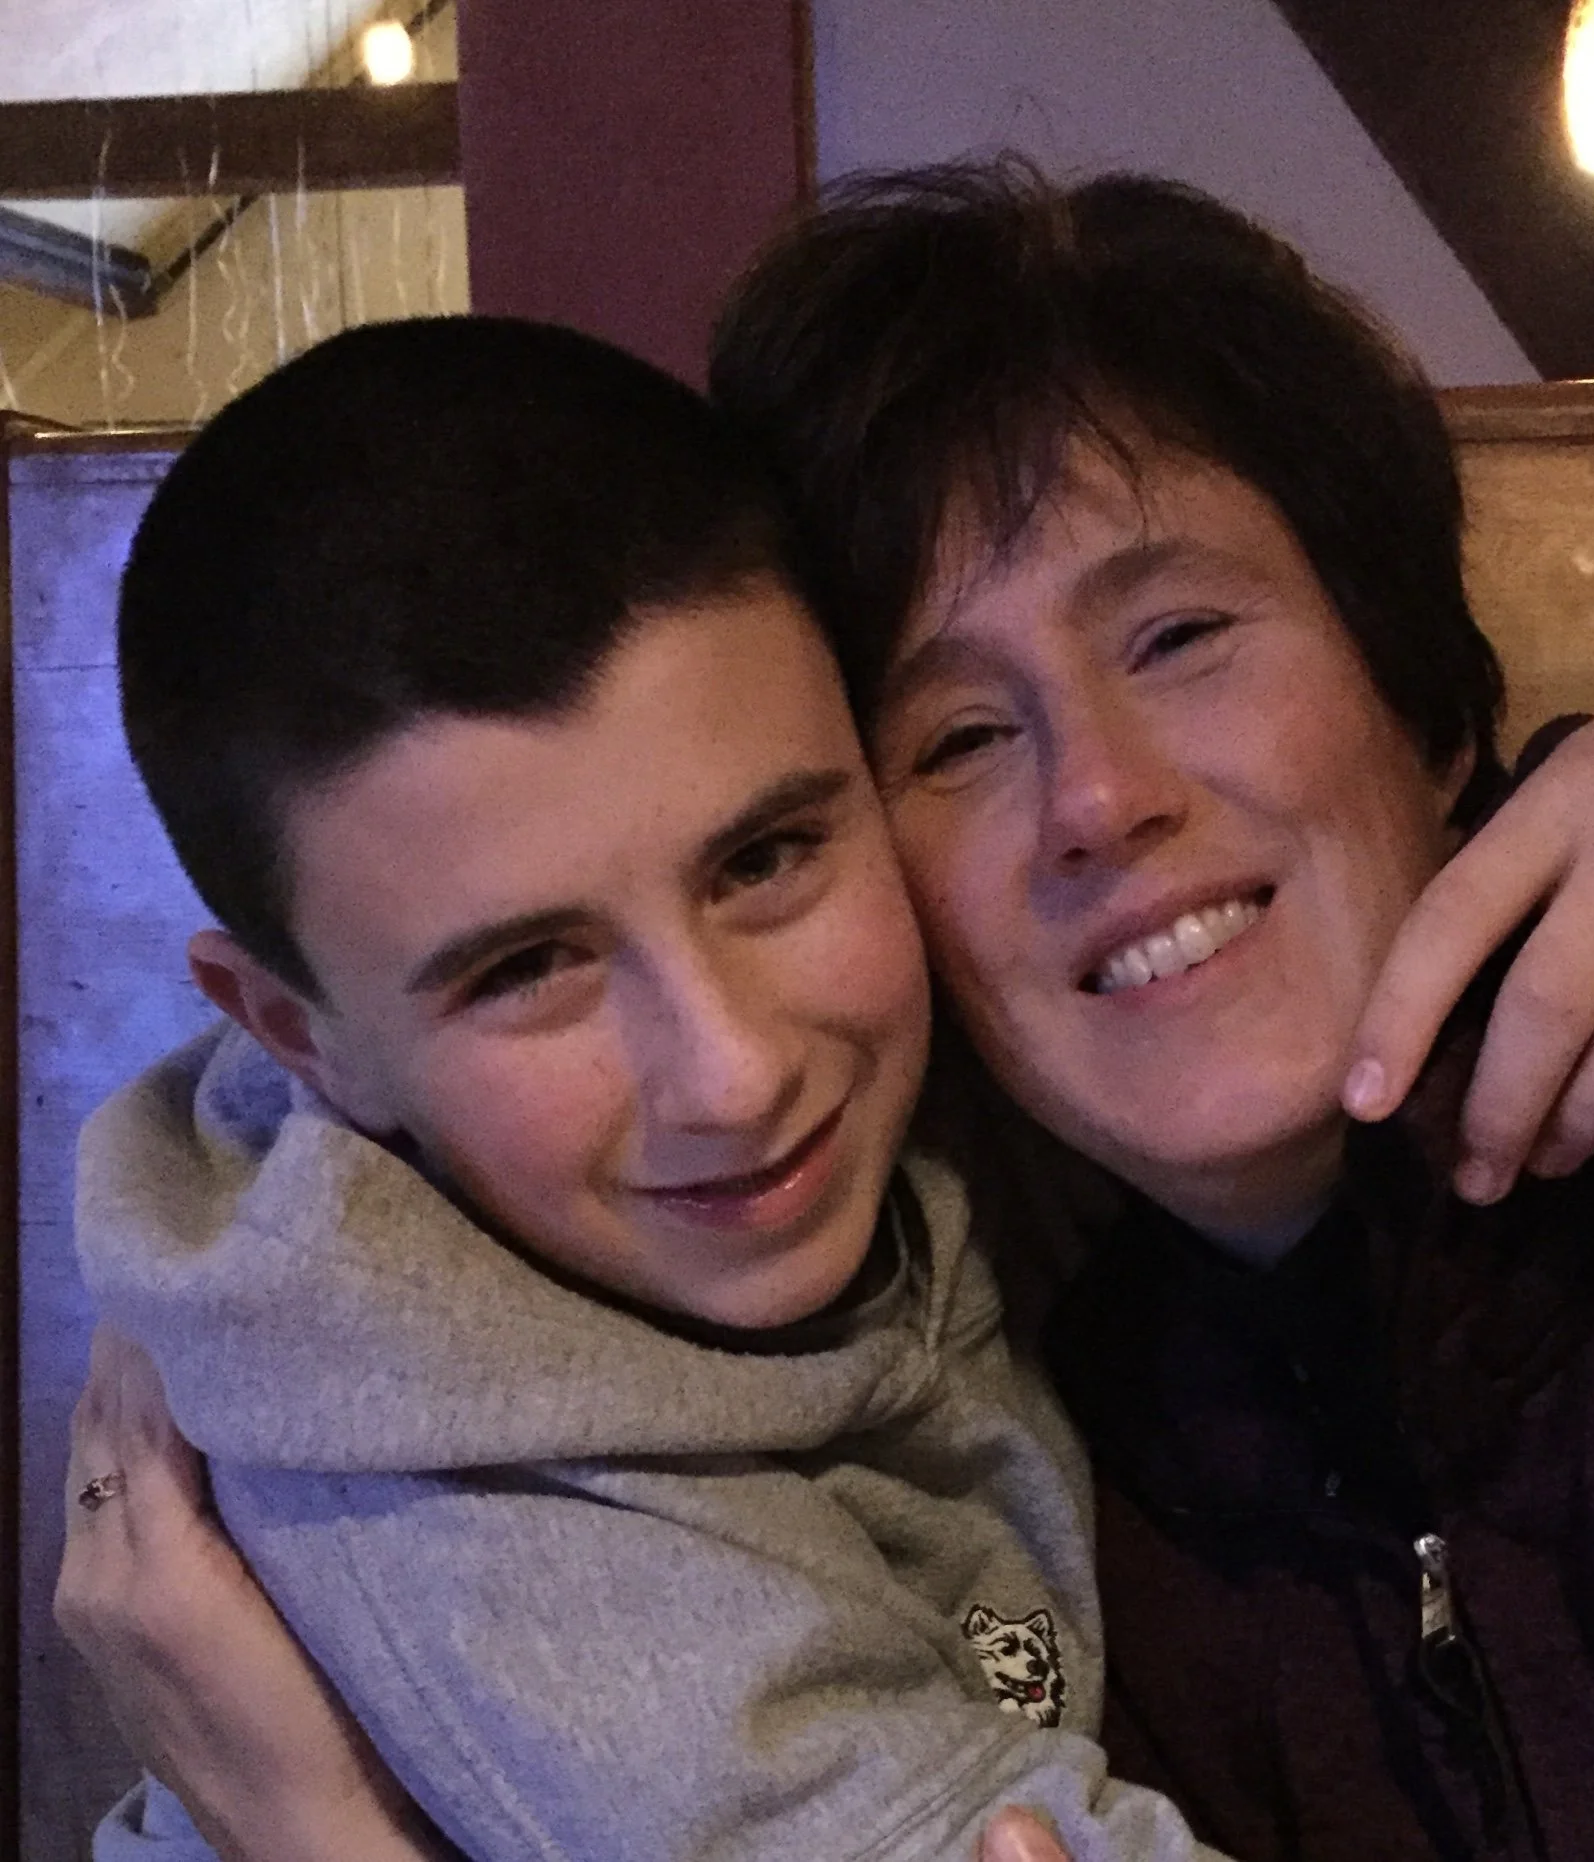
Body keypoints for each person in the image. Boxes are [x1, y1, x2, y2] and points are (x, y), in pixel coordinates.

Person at [59, 166, 1594, 1862]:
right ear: (301, 1036)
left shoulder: (976, 1271)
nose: (737, 1064)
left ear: (1426, 700)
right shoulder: (1014, 1377)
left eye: (1183, 633)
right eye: (961, 738)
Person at [71, 310, 1234, 1862]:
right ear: (298, 1032)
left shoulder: (910, 1062)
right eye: (526, 970)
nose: (737, 1071)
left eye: (766, 859)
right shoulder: (501, 1557)